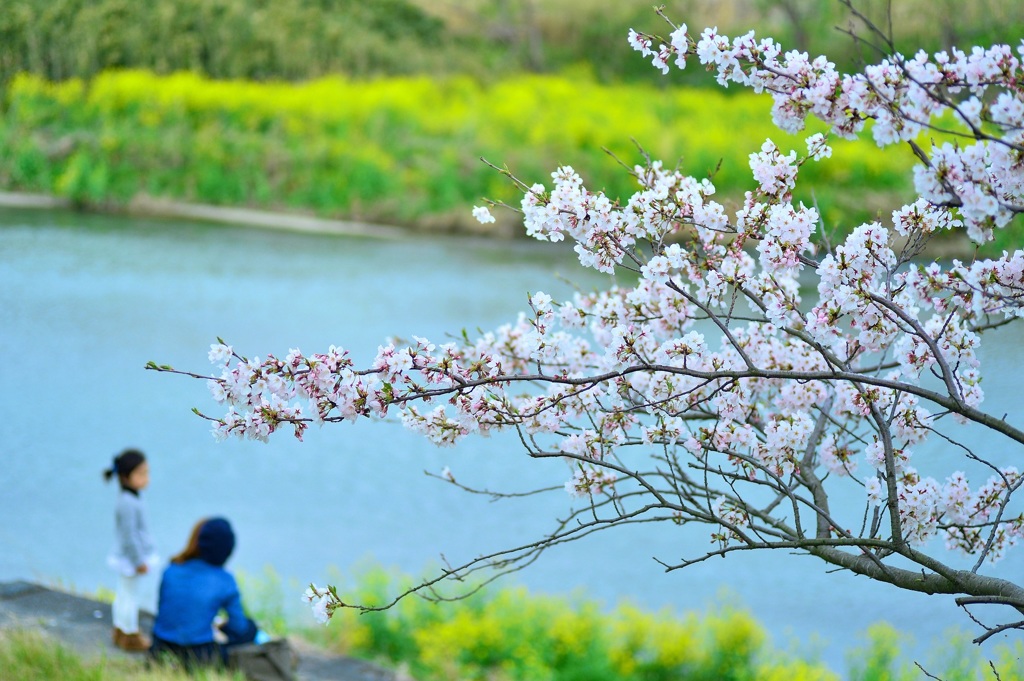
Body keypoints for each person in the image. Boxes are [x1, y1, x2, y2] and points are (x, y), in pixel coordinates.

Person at [150, 517, 260, 669]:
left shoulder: (171, 569)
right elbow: (238, 628)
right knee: (250, 628)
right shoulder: (225, 580)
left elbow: (168, 611)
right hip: (199, 656)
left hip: (159, 649)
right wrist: (225, 627)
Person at [104, 448, 158, 652]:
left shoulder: (131, 498)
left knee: (124, 593)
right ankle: (130, 633)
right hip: (131, 559)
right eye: (142, 473)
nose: (147, 478)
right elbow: (129, 536)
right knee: (130, 596)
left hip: (128, 557)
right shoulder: (127, 503)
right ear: (126, 477)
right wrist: (139, 561)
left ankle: (120, 629)